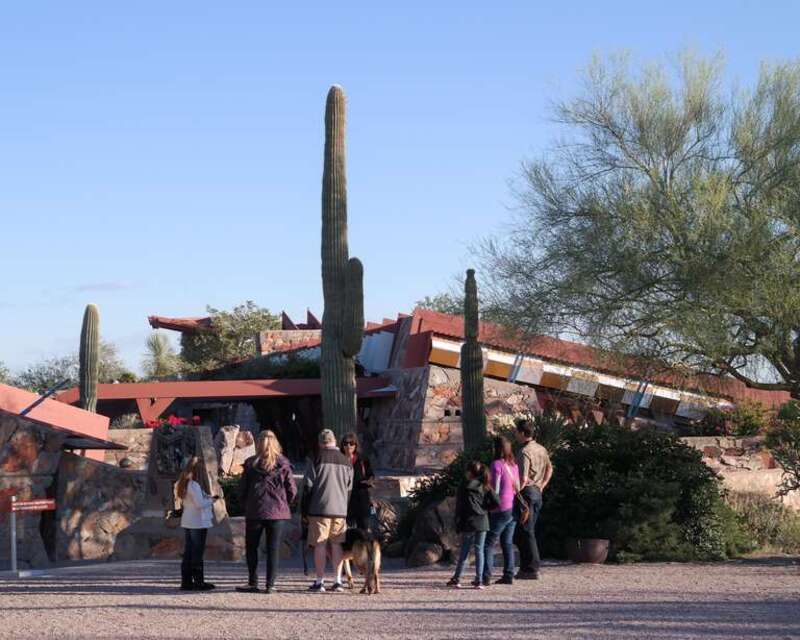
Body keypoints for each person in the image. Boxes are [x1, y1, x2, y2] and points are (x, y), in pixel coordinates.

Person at [236, 430, 297, 594]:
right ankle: (271, 584)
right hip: (277, 512)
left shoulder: (251, 464)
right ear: (275, 443)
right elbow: (292, 489)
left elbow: (241, 489)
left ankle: (252, 582)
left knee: (252, 547)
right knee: (273, 549)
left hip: (255, 510)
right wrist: (285, 503)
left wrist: (246, 504)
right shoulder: (283, 464)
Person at [301, 428, 353, 593]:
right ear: (335, 441)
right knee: (337, 544)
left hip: (319, 509)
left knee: (320, 545)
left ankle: (319, 581)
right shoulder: (346, 461)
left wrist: (304, 510)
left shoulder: (316, 459)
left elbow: (308, 486)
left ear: (320, 443)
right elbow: (349, 488)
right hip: (340, 509)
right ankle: (338, 581)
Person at [513, 419, 553, 580]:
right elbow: (550, 468)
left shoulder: (524, 452)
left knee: (525, 531)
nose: (515, 434)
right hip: (537, 492)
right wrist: (542, 485)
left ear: (523, 433)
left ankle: (531, 568)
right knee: (528, 530)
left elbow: (522, 477)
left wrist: (515, 491)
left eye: (516, 432)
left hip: (526, 493)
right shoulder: (541, 449)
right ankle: (527, 567)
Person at [175, 456, 219, 591]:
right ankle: (199, 582)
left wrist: (208, 497)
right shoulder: (194, 485)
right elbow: (200, 504)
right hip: (197, 522)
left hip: (188, 520)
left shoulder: (183, 483)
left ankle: (186, 581)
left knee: (188, 552)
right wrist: (213, 501)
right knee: (197, 553)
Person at [447, 461, 492, 590]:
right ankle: (479, 580)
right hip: (483, 521)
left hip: (469, 521)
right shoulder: (485, 485)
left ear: (469, 473)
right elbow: (496, 501)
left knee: (464, 552)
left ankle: (457, 578)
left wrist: (458, 521)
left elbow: (460, 507)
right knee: (479, 550)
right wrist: (485, 509)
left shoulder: (463, 486)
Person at [482, 436, 520, 585]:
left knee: (488, 543)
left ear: (496, 448)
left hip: (501, 508)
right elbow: (517, 487)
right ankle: (509, 574)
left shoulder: (496, 465)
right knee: (507, 542)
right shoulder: (514, 465)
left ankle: (485, 576)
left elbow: (495, 490)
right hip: (513, 507)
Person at [340, 432, 375, 531]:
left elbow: (371, 474)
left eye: (351, 443)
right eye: (345, 443)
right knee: (345, 532)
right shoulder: (338, 460)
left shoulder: (362, 459)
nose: (348, 446)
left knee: (363, 530)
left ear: (356, 445)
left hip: (361, 499)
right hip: (344, 500)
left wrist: (369, 481)